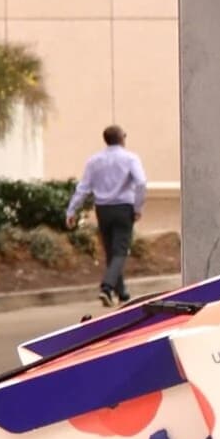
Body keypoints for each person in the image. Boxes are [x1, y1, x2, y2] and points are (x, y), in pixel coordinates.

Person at [65, 124, 148, 305]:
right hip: (124, 207)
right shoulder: (130, 158)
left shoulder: (94, 161)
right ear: (122, 138)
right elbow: (141, 183)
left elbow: (83, 188)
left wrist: (72, 210)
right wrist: (138, 207)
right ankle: (107, 287)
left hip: (103, 209)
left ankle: (123, 293)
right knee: (120, 251)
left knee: (111, 251)